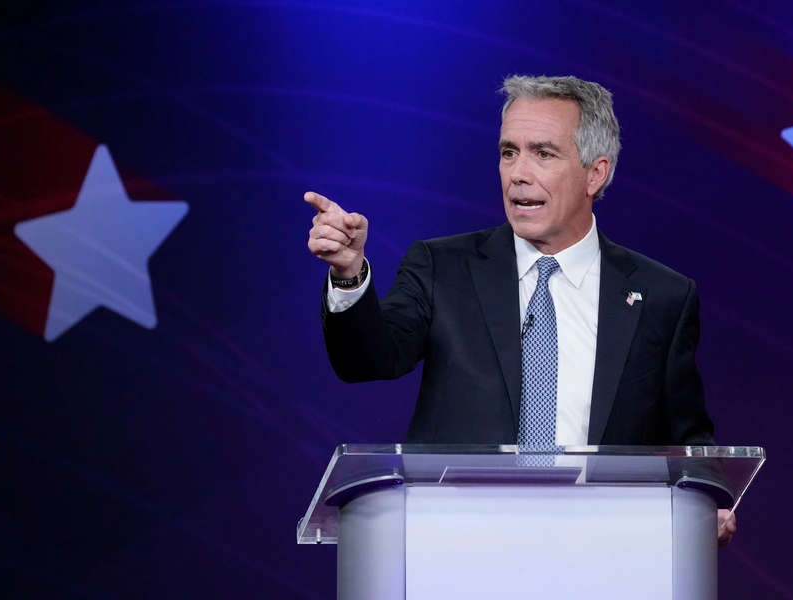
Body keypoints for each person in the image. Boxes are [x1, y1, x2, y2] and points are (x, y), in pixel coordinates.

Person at [305, 74, 735, 546]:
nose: (518, 173)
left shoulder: (662, 295)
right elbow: (368, 360)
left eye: (543, 153)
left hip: (600, 554)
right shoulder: (443, 267)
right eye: (509, 152)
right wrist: (348, 274)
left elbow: (688, 441)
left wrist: (706, 501)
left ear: (596, 173)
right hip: (457, 551)